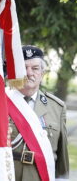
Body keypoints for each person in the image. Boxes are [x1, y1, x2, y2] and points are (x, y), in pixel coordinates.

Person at [8, 45, 69, 180]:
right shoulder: (0, 103)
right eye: (24, 68)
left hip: (40, 176)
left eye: (35, 68)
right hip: (8, 175)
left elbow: (61, 161)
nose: (29, 73)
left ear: (42, 73)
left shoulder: (57, 107)